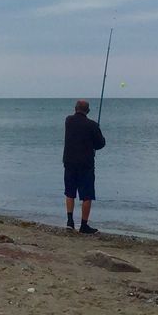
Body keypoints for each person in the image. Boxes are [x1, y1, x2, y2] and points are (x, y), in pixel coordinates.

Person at [63, 98, 106, 233]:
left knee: (70, 192)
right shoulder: (92, 125)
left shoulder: (68, 121)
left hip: (69, 162)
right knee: (87, 195)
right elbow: (100, 144)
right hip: (86, 164)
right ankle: (83, 225)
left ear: (75, 109)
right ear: (87, 111)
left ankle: (70, 221)